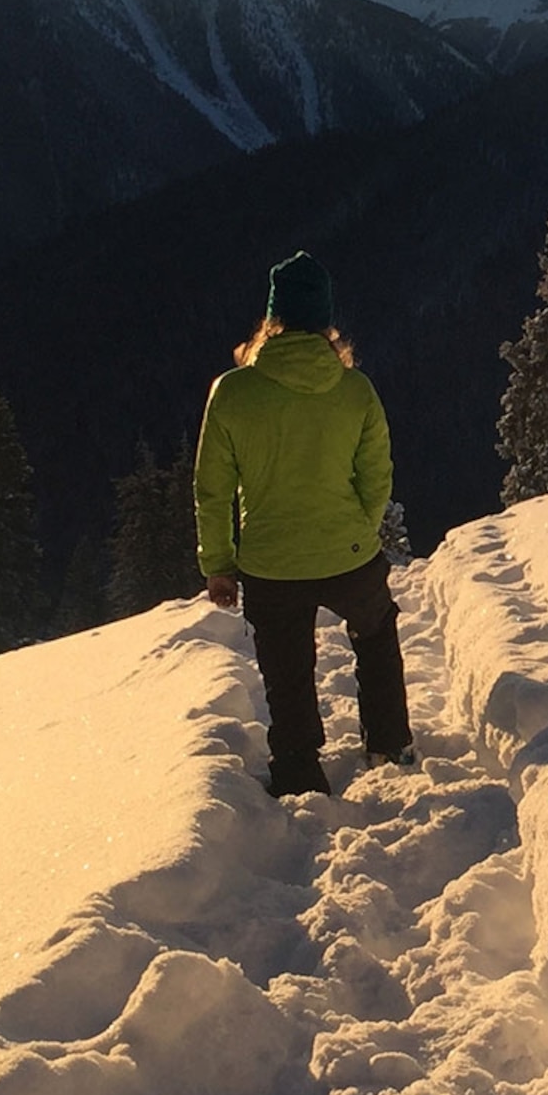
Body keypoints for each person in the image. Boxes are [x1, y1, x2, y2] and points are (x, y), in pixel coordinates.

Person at [194, 251, 416, 796]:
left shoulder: (233, 392)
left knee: (286, 666)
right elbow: (377, 476)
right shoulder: (354, 389)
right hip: (349, 551)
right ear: (326, 323)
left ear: (272, 320)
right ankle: (388, 741)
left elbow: (212, 488)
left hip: (270, 563)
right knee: (376, 634)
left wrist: (219, 565)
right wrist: (359, 530)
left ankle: (297, 766)